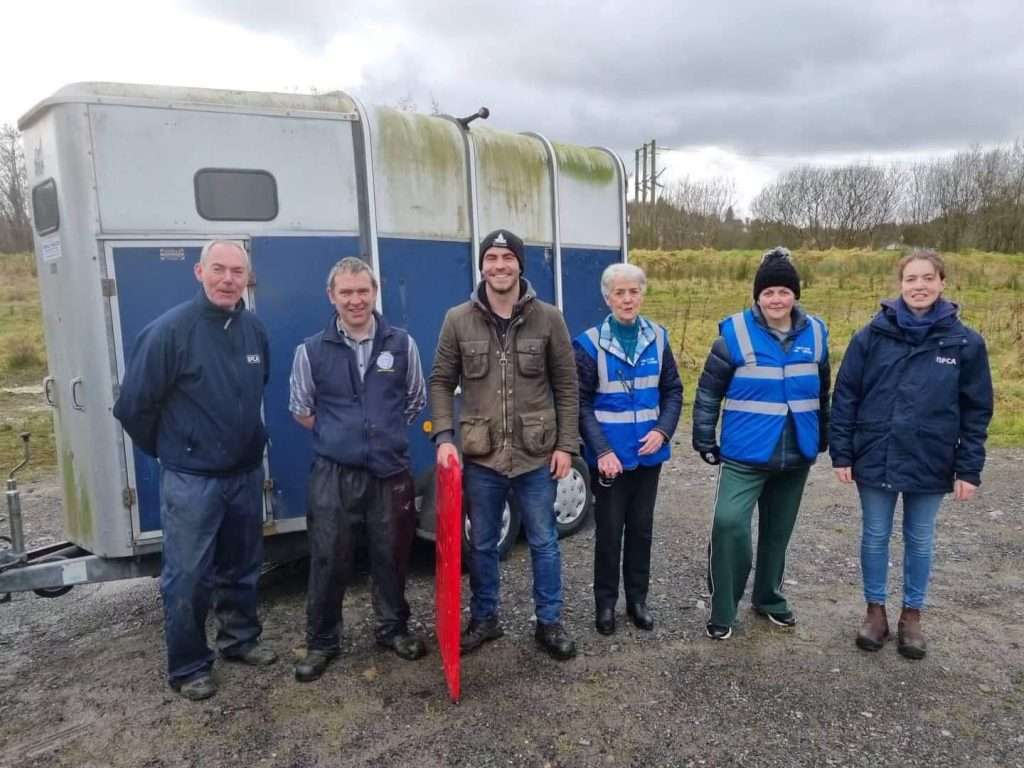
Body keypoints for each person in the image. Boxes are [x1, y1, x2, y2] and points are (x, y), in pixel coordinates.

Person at [113, 240, 276, 701]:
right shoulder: (168, 332)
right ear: (199, 272)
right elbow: (133, 408)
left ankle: (240, 640)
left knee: (243, 567)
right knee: (187, 577)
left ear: (248, 277)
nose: (228, 279)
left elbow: (256, 389)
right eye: (219, 269)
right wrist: (173, 451)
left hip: (244, 474)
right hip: (192, 480)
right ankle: (188, 666)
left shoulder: (254, 331)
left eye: (237, 272)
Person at [830, 249, 993, 660]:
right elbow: (846, 395)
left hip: (932, 457)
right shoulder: (871, 336)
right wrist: (842, 452)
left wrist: (968, 468)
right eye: (911, 279)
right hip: (876, 454)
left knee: (920, 539)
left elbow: (976, 410)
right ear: (899, 285)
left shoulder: (965, 343)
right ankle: (875, 613)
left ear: (942, 283)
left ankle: (912, 617)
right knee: (875, 535)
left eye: (927, 278)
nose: (919, 286)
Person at [429, 228, 580, 660]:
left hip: (536, 454)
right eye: (491, 258)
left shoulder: (549, 318)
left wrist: (566, 445)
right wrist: (444, 436)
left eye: (507, 258)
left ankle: (549, 622)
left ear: (519, 265)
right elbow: (440, 381)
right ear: (482, 266)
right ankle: (485, 618)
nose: (499, 266)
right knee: (482, 544)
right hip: (482, 456)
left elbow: (567, 385)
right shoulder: (457, 319)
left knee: (544, 541)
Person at [288, 257, 428, 682]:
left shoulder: (402, 344)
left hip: (390, 471)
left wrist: (378, 433)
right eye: (345, 292)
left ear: (374, 292)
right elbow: (302, 409)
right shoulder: (310, 351)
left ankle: (392, 629)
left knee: (392, 554)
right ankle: (322, 642)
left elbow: (415, 400)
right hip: (334, 473)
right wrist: (344, 436)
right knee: (329, 558)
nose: (355, 300)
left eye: (362, 291)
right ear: (332, 296)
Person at [692, 247, 831, 640]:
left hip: (796, 453)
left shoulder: (817, 334)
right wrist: (704, 435)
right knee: (729, 524)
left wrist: (824, 433)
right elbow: (707, 392)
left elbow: (823, 392)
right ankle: (723, 609)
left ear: (795, 295)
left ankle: (768, 598)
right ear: (757, 296)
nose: (776, 299)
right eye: (768, 292)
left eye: (783, 292)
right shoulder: (733, 334)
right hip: (744, 453)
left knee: (777, 533)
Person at [574, 263, 683, 635]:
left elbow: (673, 391)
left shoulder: (659, 337)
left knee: (641, 530)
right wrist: (601, 450)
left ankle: (637, 600)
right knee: (608, 534)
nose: (627, 299)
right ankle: (605, 605)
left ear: (642, 294)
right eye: (619, 293)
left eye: (633, 292)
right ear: (607, 298)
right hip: (610, 461)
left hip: (648, 456)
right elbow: (580, 403)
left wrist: (664, 431)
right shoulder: (588, 344)